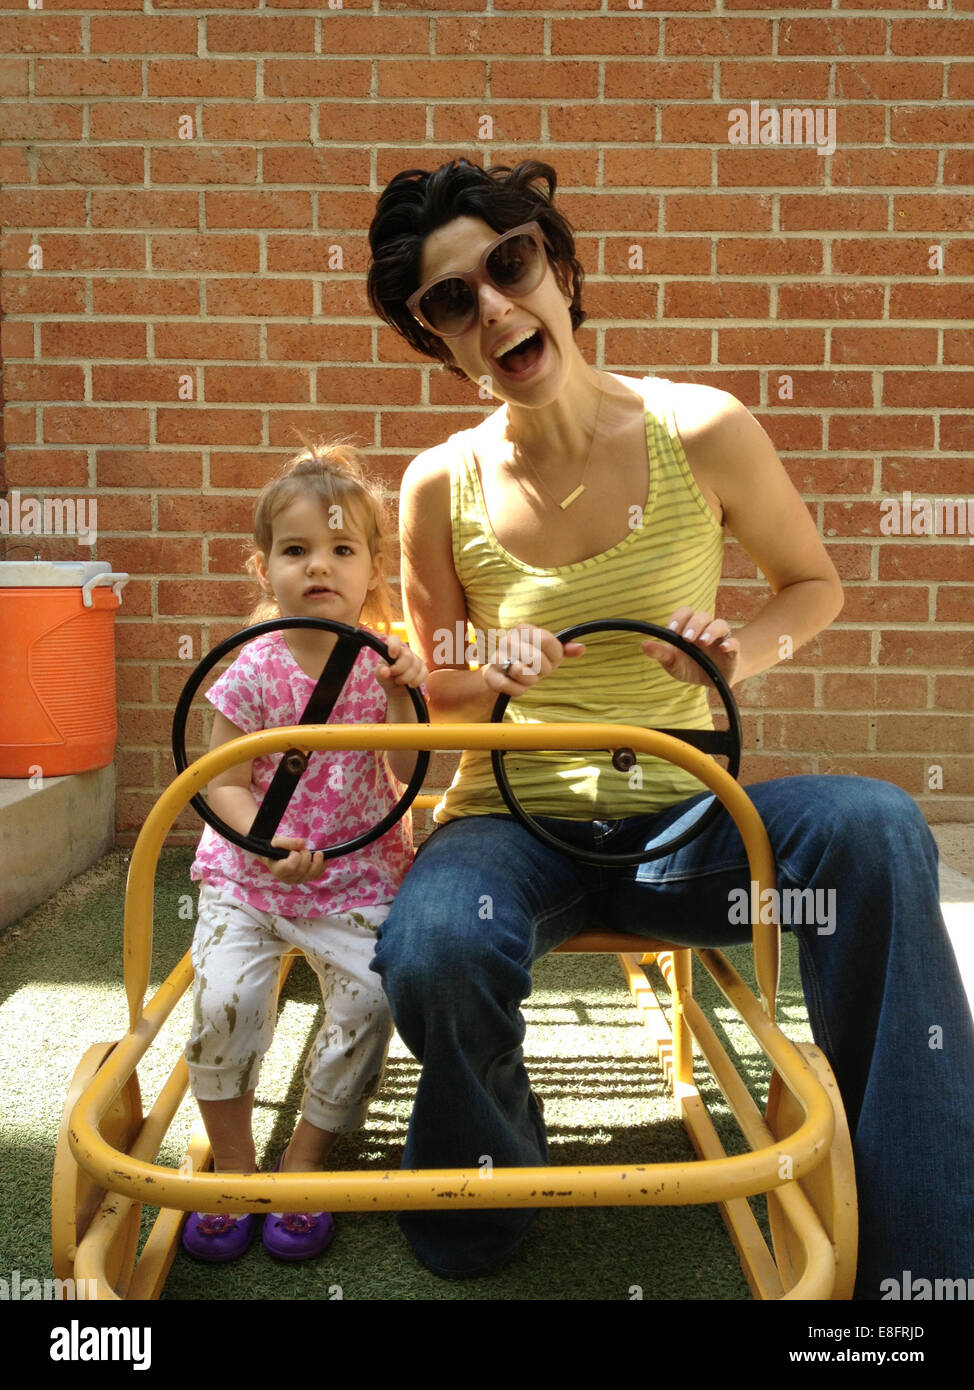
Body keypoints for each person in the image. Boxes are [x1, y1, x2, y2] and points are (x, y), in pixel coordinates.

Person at [366, 158, 974, 1296]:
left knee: (878, 828)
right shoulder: (435, 486)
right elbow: (440, 702)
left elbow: (811, 586)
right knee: (438, 943)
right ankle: (487, 1179)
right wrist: (487, 671)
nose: (492, 306)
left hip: (684, 823)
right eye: (451, 300)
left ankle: (926, 1266)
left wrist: (733, 652)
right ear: (438, 342)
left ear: (556, 268)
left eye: (509, 264)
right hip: (512, 826)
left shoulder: (700, 429)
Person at [182, 443, 427, 1263]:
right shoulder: (251, 669)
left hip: (353, 878)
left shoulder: (383, 666)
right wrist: (264, 836)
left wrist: (404, 695)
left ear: (372, 570)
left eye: (341, 548)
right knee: (223, 999)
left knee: (372, 999)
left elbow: (410, 772)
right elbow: (221, 781)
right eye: (296, 549)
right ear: (265, 568)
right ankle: (234, 1167)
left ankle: (304, 1163)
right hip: (249, 879)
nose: (319, 565)